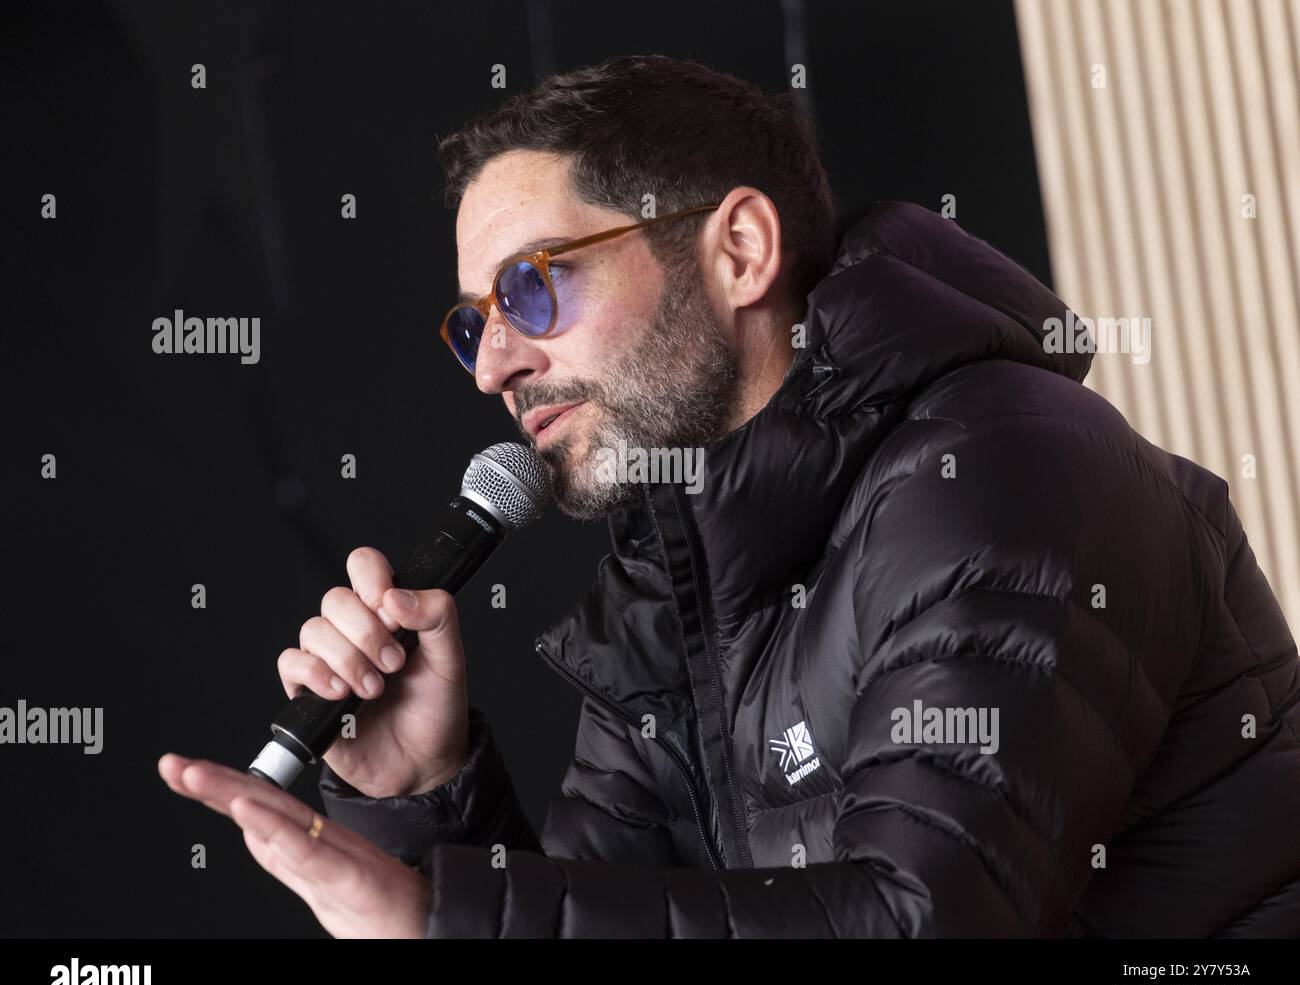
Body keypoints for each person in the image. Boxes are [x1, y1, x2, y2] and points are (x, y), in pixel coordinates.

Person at [159, 54, 1300, 938]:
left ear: (740, 249)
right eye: (472, 323)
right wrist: (428, 790)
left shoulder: (998, 467)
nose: (495, 363)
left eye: (532, 286)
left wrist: (448, 918)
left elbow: (923, 920)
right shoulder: (671, 585)